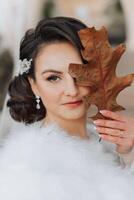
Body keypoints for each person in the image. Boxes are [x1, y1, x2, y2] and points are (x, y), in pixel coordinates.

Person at [0, 16, 134, 200]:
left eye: (79, 74)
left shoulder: (109, 145)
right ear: (34, 85)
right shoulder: (29, 167)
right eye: (53, 78)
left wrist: (127, 156)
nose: (71, 90)